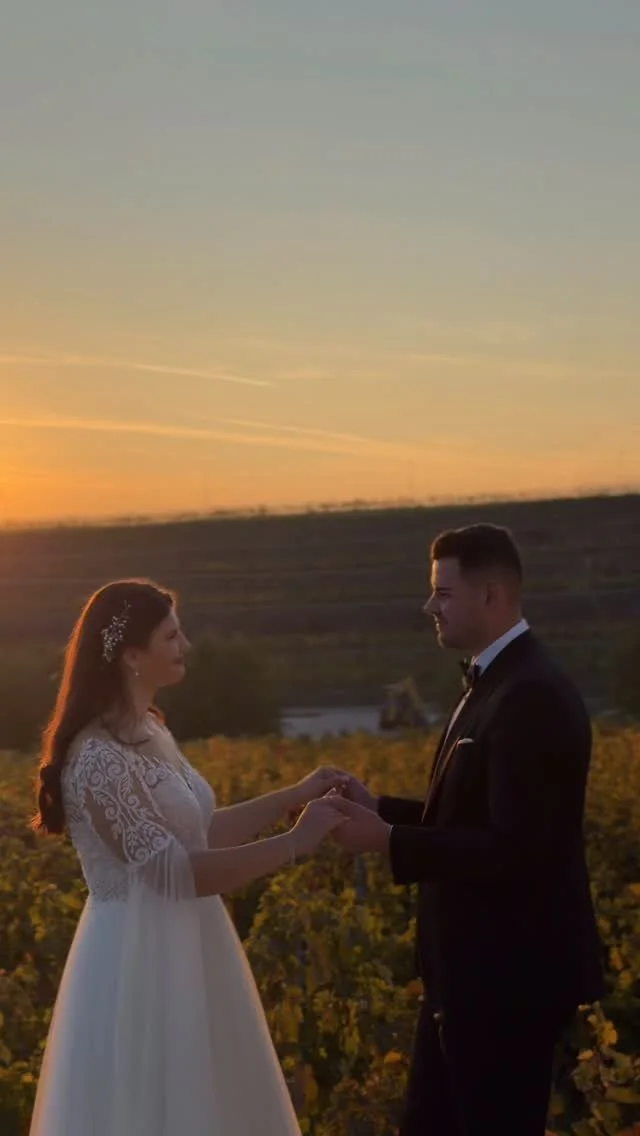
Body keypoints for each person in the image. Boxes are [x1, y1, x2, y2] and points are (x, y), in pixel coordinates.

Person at [29, 578, 348, 1136]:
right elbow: (172, 872)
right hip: (138, 959)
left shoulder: (148, 731)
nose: (187, 646)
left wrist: (293, 796)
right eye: (172, 636)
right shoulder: (97, 757)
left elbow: (197, 834)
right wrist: (295, 843)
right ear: (132, 656)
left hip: (189, 945)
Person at [330, 524, 604, 1136]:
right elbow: (470, 816)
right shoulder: (497, 682)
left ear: (492, 595)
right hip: (467, 980)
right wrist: (381, 808)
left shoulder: (531, 695)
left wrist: (386, 840)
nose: (429, 605)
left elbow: (518, 849)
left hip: (506, 984)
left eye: (444, 592)